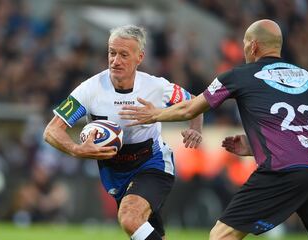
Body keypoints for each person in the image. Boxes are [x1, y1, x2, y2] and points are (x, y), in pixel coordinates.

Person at [119, 19, 308, 240]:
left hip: (284, 169)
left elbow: (190, 108)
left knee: (222, 235)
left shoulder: (240, 75)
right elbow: (299, 130)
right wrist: (252, 145)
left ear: (253, 45)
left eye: (245, 43)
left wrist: (154, 114)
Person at [43, 25, 203, 240]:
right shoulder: (90, 90)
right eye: (112, 53)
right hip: (115, 171)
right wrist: (76, 149)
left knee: (129, 218)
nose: (115, 61)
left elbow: (195, 102)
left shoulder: (155, 87)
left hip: (152, 162)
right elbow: (52, 129)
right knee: (144, 230)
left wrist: (195, 128)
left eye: (124, 55)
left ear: (140, 57)